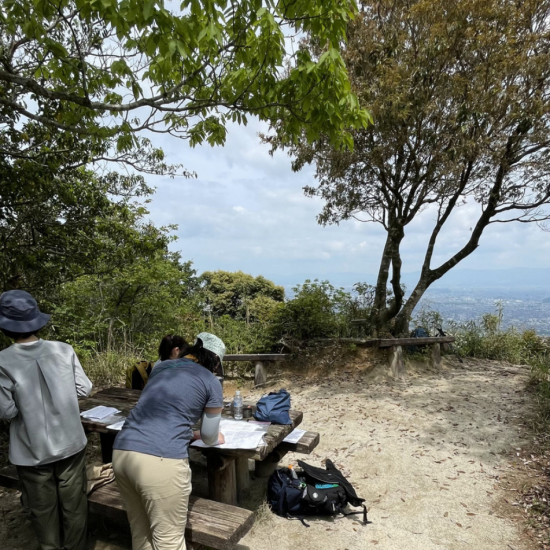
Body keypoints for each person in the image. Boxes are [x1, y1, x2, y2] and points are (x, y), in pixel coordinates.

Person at [112, 332, 227, 550]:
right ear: (216, 361)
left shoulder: (161, 368)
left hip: (122, 450)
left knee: (141, 533)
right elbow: (210, 436)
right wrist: (207, 434)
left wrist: (188, 431)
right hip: (161, 459)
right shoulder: (211, 382)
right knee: (169, 541)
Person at [0, 290, 93, 550]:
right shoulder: (63, 350)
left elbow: (6, 411)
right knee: (75, 507)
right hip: (71, 443)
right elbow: (84, 389)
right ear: (37, 321)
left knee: (42, 511)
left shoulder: (3, 361)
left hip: (32, 450)